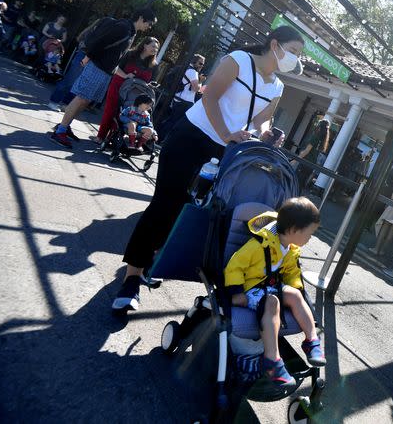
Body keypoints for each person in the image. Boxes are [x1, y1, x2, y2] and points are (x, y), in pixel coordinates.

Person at [111, 25, 304, 312]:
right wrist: (227, 134)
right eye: (294, 51)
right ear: (274, 44)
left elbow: (262, 118)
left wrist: (266, 132)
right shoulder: (238, 60)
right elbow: (210, 97)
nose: (296, 59)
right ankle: (131, 278)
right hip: (192, 136)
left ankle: (151, 261)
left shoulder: (277, 86)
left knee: (188, 209)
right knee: (165, 203)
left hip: (224, 150)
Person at [224, 197, 326, 387]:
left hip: (271, 287)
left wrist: (295, 291)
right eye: (310, 233)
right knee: (272, 302)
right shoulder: (258, 245)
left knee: (295, 295)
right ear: (294, 230)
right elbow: (234, 266)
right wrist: (237, 292)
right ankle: (272, 359)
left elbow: (291, 273)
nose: (310, 238)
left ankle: (311, 341)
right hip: (252, 289)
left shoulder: (289, 248)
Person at [49, 8, 156, 148]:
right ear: (142, 18)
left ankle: (65, 126)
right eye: (149, 23)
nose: (149, 26)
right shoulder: (123, 27)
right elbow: (102, 41)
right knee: (81, 98)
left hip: (105, 70)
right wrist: (88, 57)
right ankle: (60, 131)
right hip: (97, 66)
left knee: (86, 100)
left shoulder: (130, 31)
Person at [93, 36, 159, 143]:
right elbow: (115, 67)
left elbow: (152, 81)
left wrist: (152, 85)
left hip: (135, 94)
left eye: (156, 48)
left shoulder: (154, 65)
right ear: (145, 45)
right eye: (153, 46)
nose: (155, 50)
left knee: (127, 114)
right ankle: (100, 136)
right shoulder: (129, 54)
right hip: (118, 84)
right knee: (111, 110)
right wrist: (125, 75)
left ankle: (112, 139)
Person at [47, 17, 103, 111]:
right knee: (70, 80)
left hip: (88, 58)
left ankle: (65, 103)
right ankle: (54, 101)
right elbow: (87, 46)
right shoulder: (93, 32)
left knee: (77, 83)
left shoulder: (94, 32)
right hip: (83, 56)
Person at [157, 54, 203, 137]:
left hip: (179, 99)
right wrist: (200, 81)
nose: (201, 66)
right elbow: (195, 88)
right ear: (194, 61)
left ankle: (158, 137)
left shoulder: (185, 68)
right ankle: (159, 137)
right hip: (185, 101)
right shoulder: (192, 72)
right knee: (173, 122)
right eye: (200, 63)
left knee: (171, 121)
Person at [297, 118, 330, 190]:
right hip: (311, 165)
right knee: (301, 185)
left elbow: (307, 151)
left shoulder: (315, 137)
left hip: (305, 162)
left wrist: (295, 160)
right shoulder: (323, 140)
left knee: (296, 183)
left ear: (319, 126)